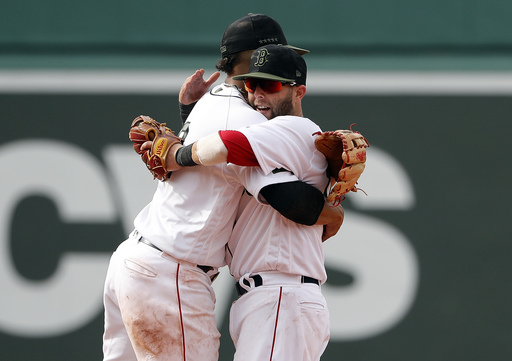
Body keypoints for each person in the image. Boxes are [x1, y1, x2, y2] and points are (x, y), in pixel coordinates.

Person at [103, 14, 343, 361]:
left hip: (135, 262)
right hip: (170, 274)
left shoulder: (210, 102)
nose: (260, 90)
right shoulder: (249, 119)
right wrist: (333, 214)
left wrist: (186, 111)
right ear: (249, 61)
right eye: (258, 76)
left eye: (271, 82)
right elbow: (290, 199)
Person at [163, 44, 335, 361]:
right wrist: (189, 115)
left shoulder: (294, 128)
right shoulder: (271, 140)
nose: (257, 95)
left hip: (281, 294)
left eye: (269, 85)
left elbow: (224, 144)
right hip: (273, 297)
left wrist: (174, 155)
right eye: (251, 84)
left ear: (299, 92)